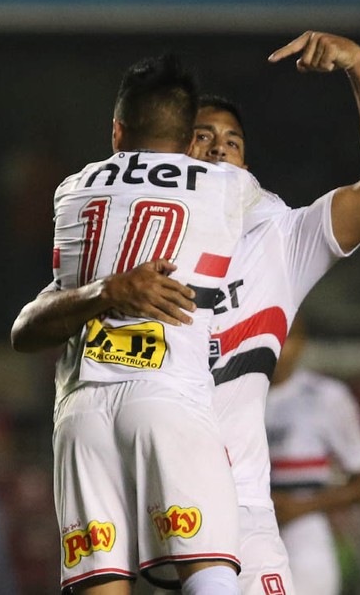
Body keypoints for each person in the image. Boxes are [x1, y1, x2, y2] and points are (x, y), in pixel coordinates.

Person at [13, 30, 360, 594]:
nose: (221, 148)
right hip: (133, 481)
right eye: (203, 136)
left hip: (238, 506)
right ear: (174, 148)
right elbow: (36, 320)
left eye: (234, 140)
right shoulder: (131, 246)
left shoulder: (282, 238)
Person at [36, 53, 282, 594]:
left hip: (79, 415)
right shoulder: (227, 188)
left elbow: (30, 325)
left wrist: (109, 289)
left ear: (117, 130)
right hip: (166, 399)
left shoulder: (72, 189)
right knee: (212, 579)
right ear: (191, 136)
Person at [265, 316, 360, 595]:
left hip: (304, 532)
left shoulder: (326, 397)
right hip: (241, 528)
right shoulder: (228, 394)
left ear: (301, 343)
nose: (279, 347)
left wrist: (303, 507)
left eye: (288, 337)